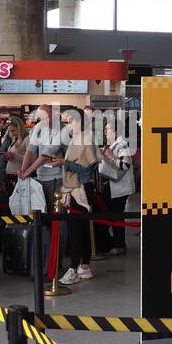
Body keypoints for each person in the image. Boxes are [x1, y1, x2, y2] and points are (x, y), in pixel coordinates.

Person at [59, 108, 98, 285]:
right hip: (77, 188)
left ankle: (75, 267)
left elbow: (86, 170)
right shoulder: (78, 139)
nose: (67, 125)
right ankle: (84, 265)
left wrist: (64, 163)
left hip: (80, 189)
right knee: (80, 230)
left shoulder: (85, 139)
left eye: (69, 121)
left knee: (76, 231)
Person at [98, 115, 134, 256]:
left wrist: (110, 156)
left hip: (119, 188)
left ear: (116, 131)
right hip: (112, 186)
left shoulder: (122, 145)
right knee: (113, 216)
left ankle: (119, 245)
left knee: (117, 216)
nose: (105, 132)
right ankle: (115, 243)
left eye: (107, 129)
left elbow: (125, 164)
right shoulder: (114, 145)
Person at [19, 105, 66, 199]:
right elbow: (30, 149)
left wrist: (28, 171)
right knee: (40, 211)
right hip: (40, 176)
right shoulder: (38, 127)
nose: (45, 121)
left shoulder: (62, 130)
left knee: (55, 211)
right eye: (42, 118)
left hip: (57, 177)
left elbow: (46, 153)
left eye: (47, 117)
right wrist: (23, 170)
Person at [0, 115, 28, 191]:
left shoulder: (27, 139)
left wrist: (14, 156)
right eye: (9, 131)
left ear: (20, 128)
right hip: (11, 176)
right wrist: (6, 157)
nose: (12, 133)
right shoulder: (15, 139)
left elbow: (31, 159)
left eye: (13, 130)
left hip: (20, 176)